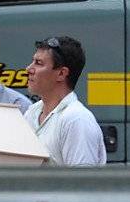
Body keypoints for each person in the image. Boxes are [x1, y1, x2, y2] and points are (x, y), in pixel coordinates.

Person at [23, 36, 106, 165]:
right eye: (32, 61)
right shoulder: (31, 112)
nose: (29, 69)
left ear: (61, 73)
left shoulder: (77, 120)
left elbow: (83, 183)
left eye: (38, 63)